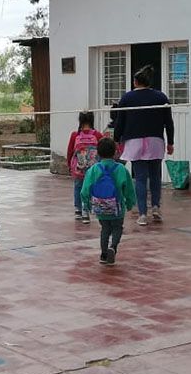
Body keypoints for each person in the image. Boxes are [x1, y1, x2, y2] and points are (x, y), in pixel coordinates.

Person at [114, 65, 174, 226]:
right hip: (156, 141)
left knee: (140, 179)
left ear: (135, 82)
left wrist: (116, 139)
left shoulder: (127, 98)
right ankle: (155, 207)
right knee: (155, 176)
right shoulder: (161, 97)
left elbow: (120, 122)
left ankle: (142, 214)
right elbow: (169, 122)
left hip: (134, 142)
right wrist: (171, 142)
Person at [80, 137, 136, 265]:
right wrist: (129, 203)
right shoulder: (121, 169)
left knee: (105, 229)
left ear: (98, 153)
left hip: (100, 206)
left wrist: (87, 205)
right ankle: (113, 247)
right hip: (117, 207)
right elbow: (129, 189)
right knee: (117, 227)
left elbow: (84, 190)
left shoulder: (93, 169)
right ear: (115, 152)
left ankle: (103, 254)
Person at [65, 111, 102, 223]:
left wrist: (69, 164)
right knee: (89, 188)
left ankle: (78, 210)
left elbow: (70, 151)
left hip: (78, 167)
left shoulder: (75, 135)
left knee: (78, 187)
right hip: (92, 168)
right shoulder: (97, 135)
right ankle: (86, 210)